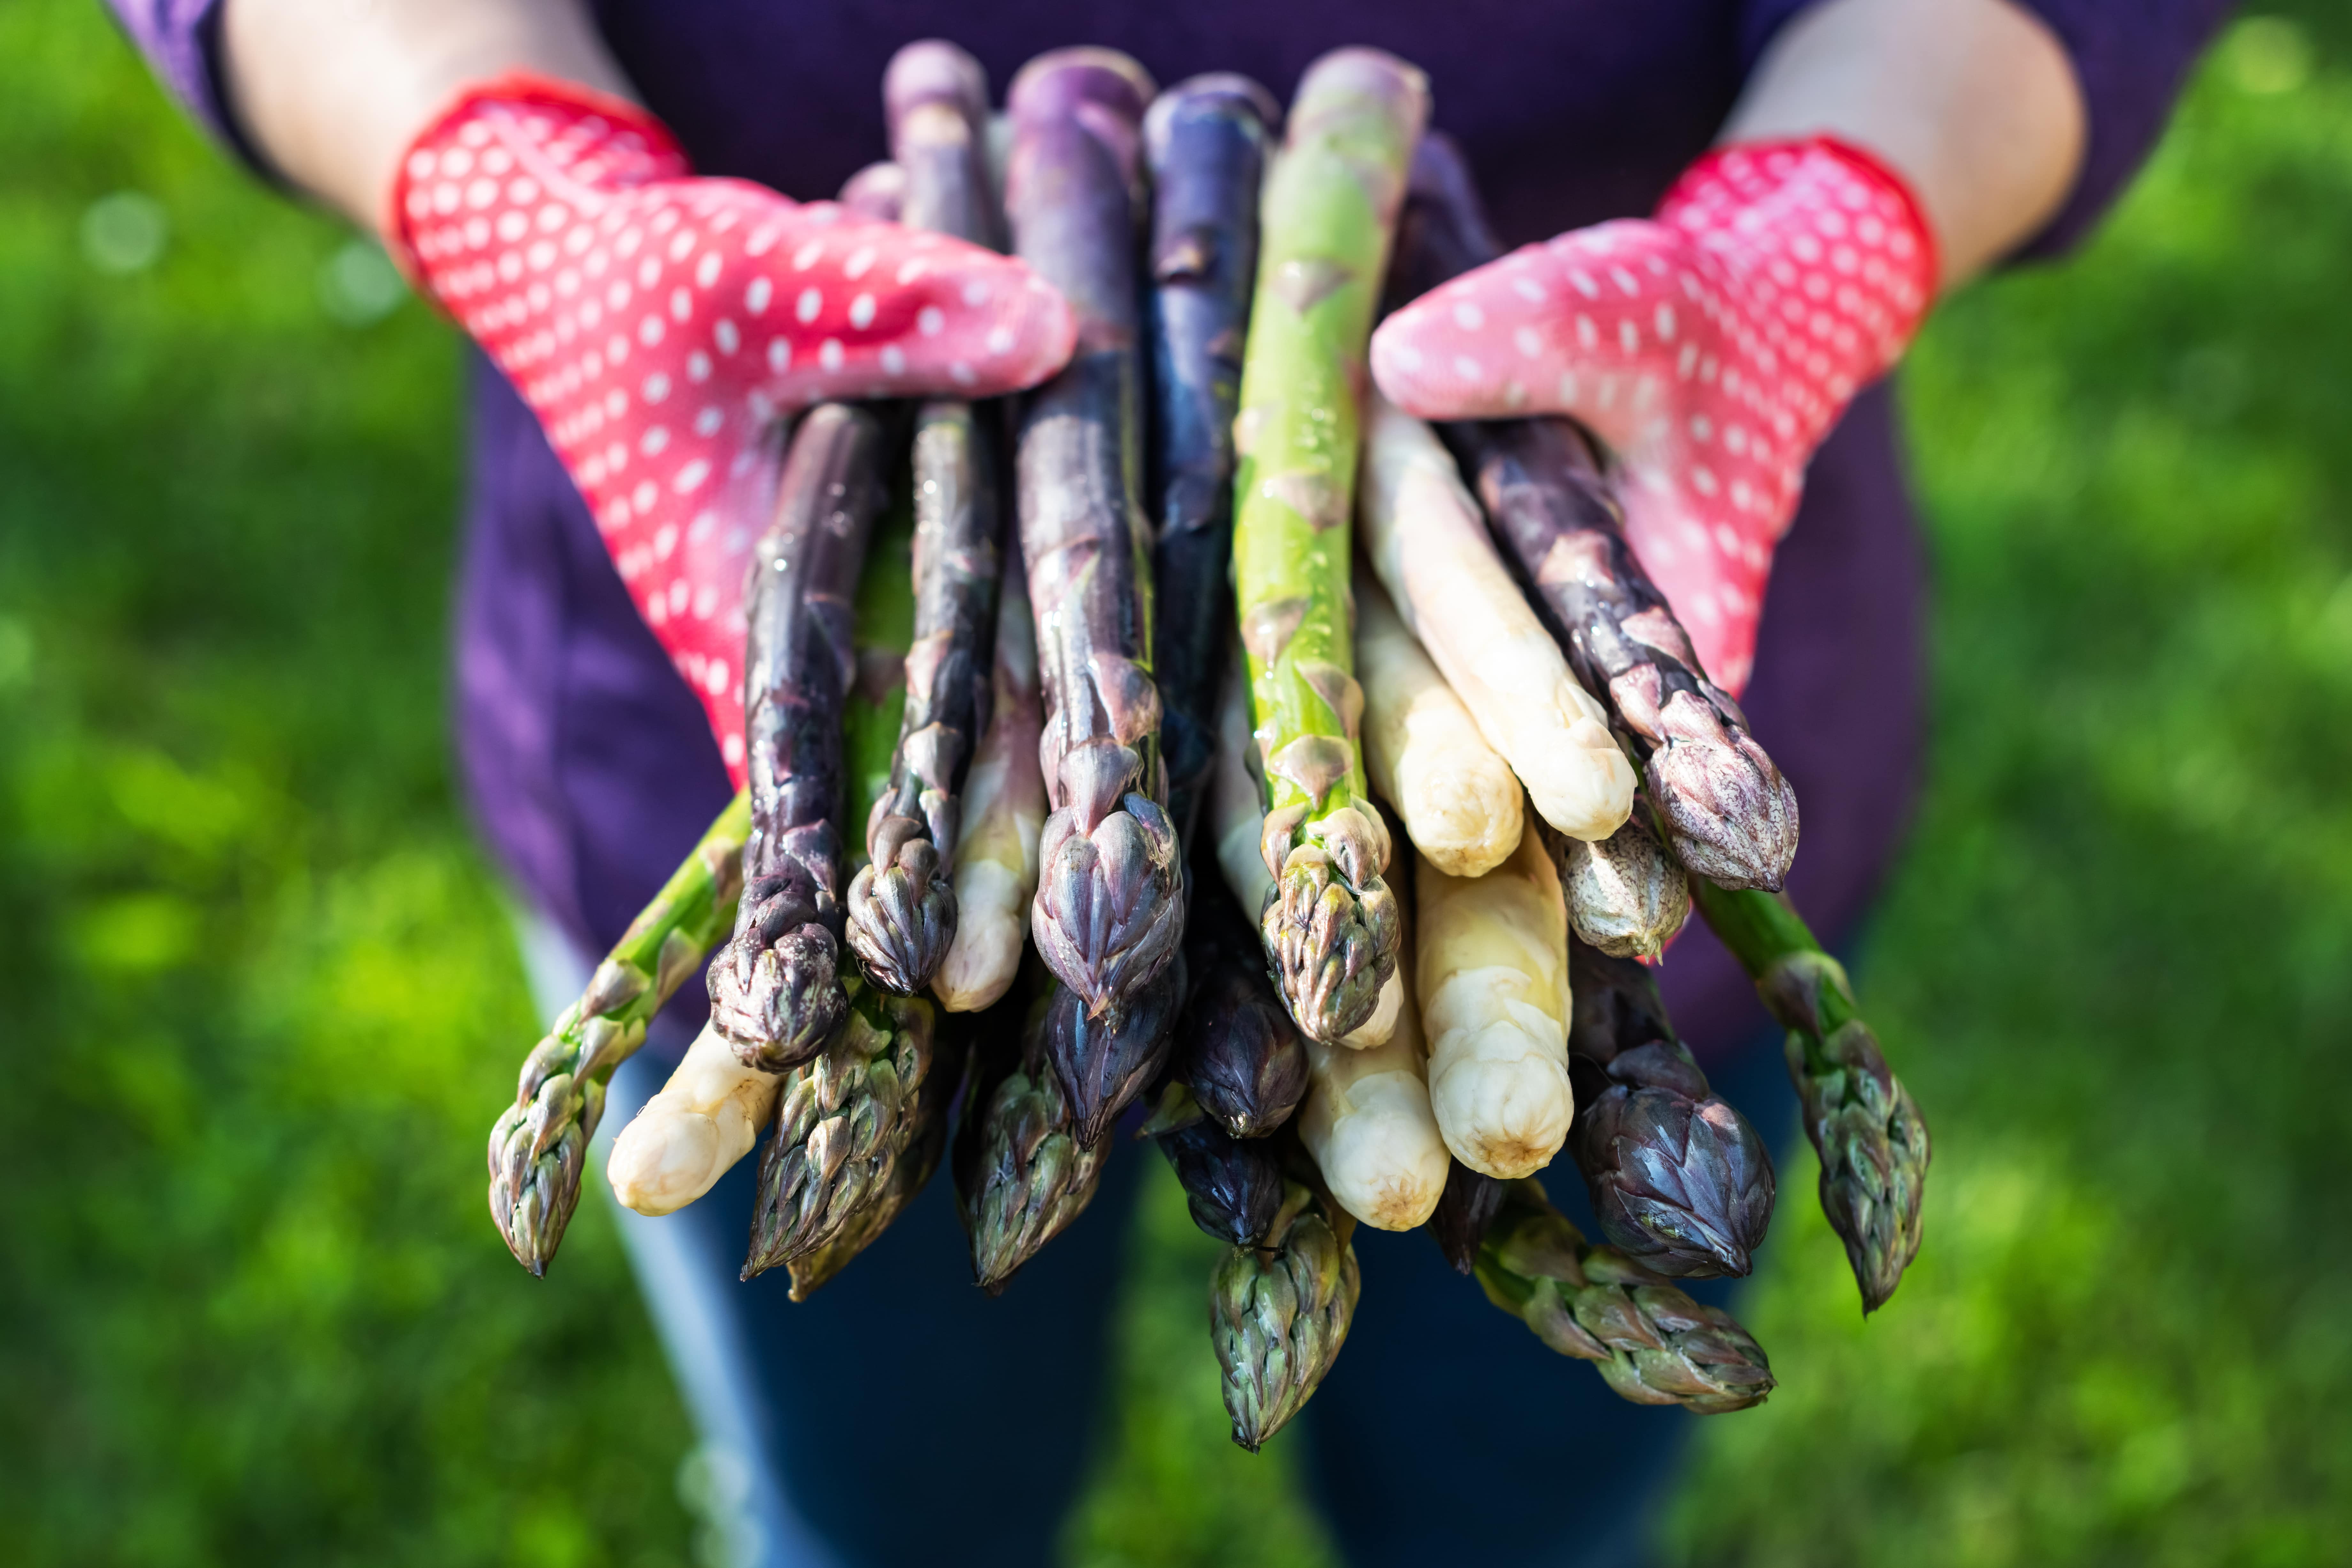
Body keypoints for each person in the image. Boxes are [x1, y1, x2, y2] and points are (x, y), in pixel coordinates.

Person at [107, 1, 2228, 1563]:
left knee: (1522, 1516)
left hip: (1626, 630)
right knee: (878, 1518)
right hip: (801, 774)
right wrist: (512, 185)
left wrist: (1824, 227)